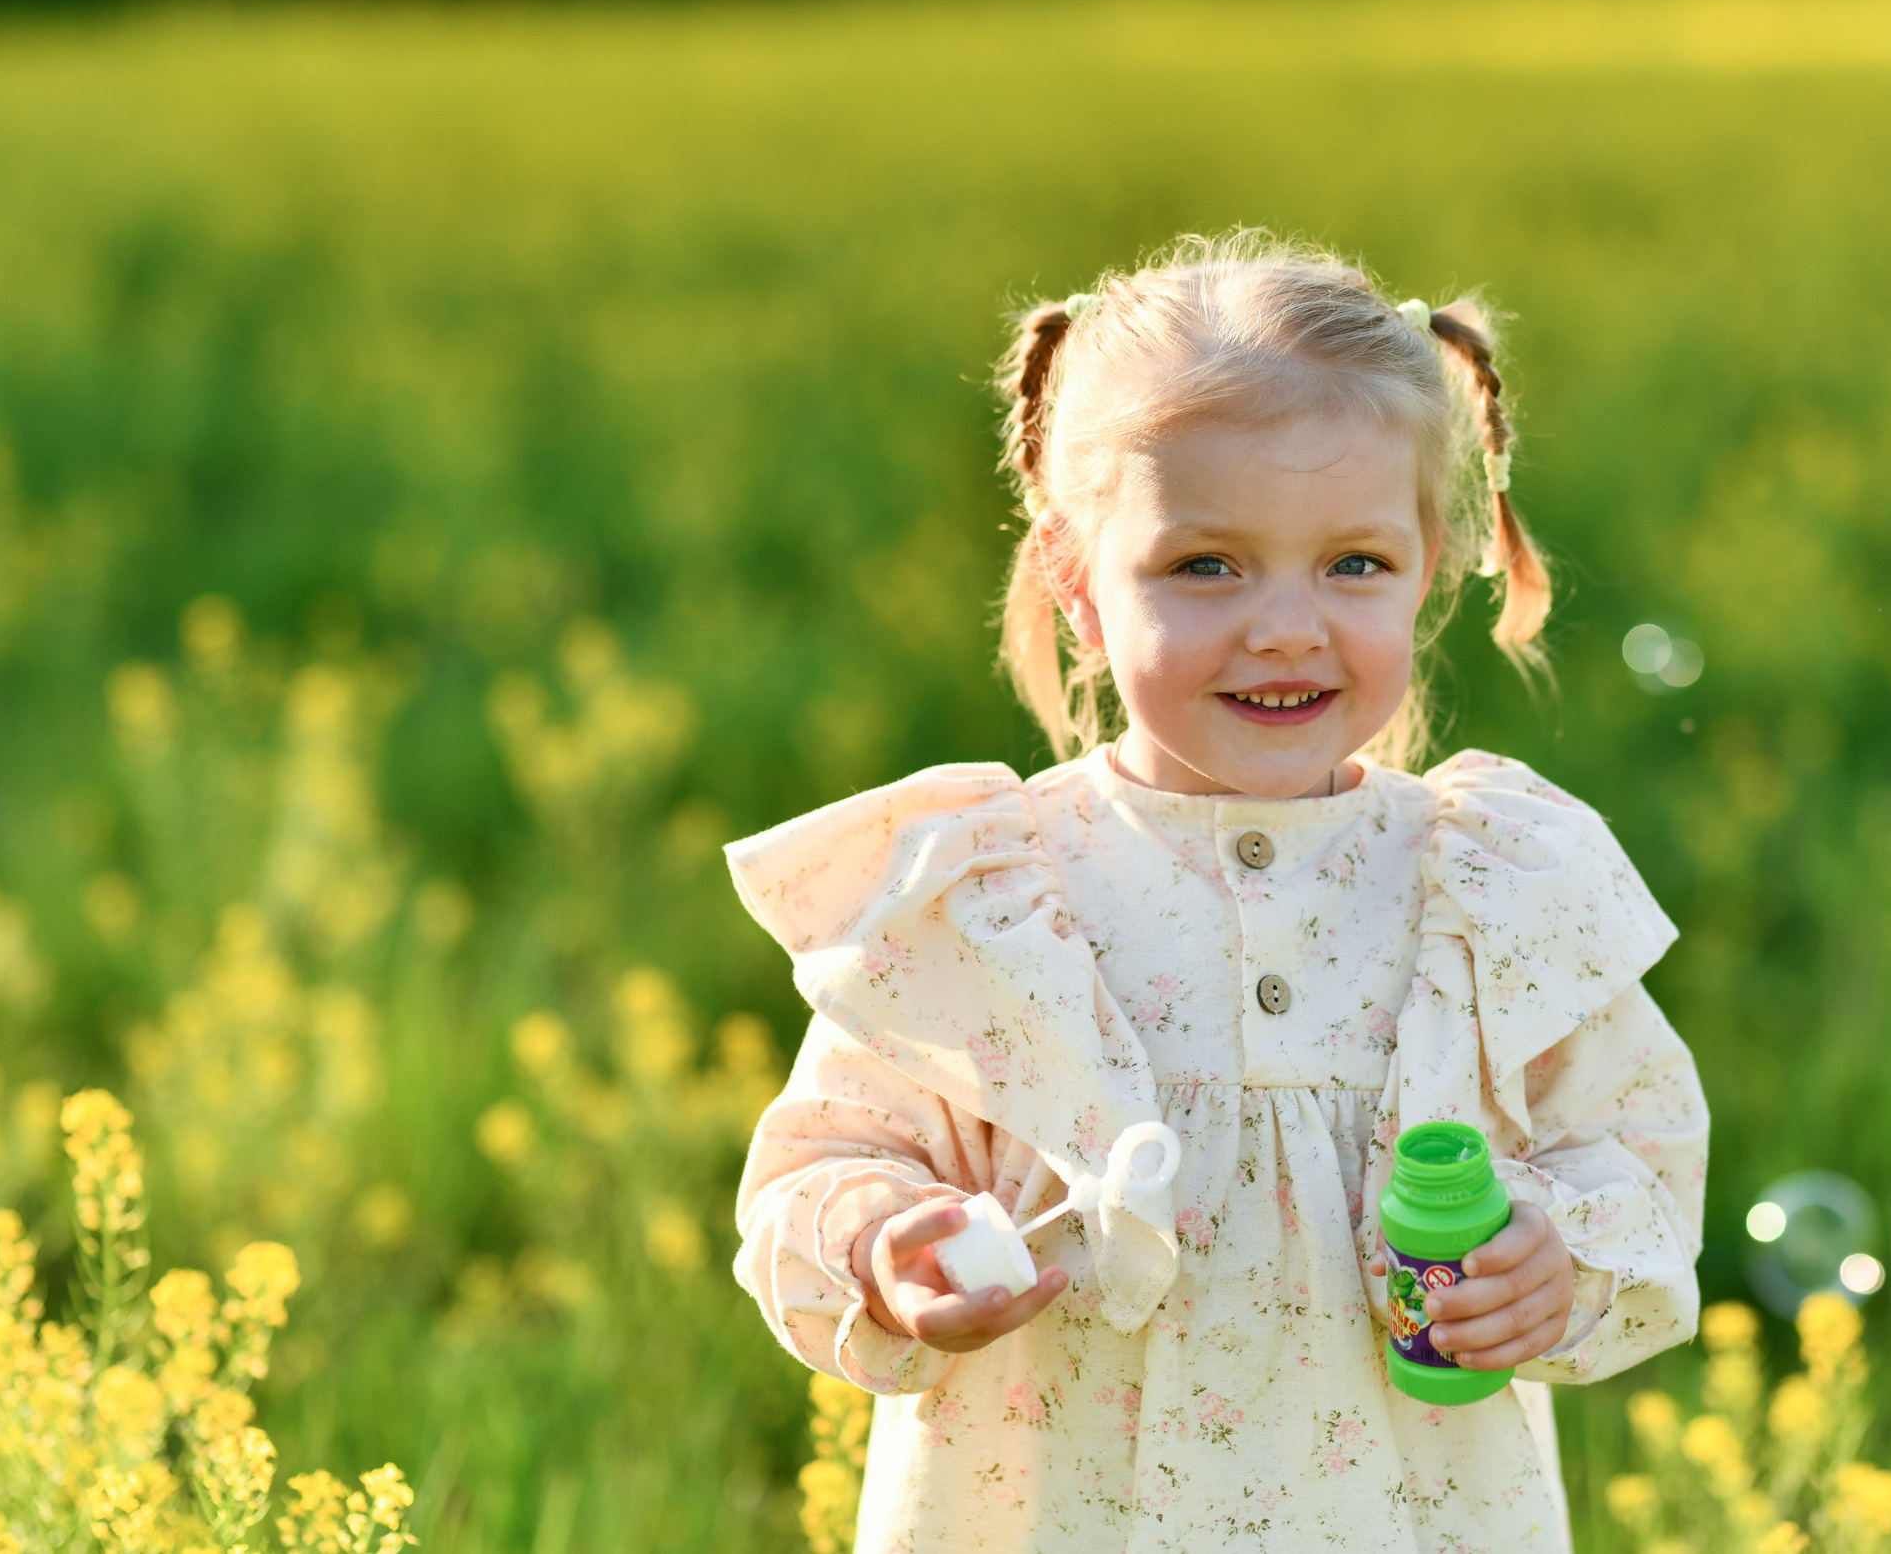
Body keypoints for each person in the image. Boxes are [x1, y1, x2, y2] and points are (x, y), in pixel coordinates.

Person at [729, 231, 1707, 1552]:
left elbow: (1638, 1154)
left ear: (1427, 568)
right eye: (1206, 566)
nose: (1287, 625)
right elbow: (822, 1160)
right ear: (1078, 585)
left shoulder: (1485, 892)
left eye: (1353, 563)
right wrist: (889, 1247)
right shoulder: (985, 900)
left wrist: (1556, 1249)